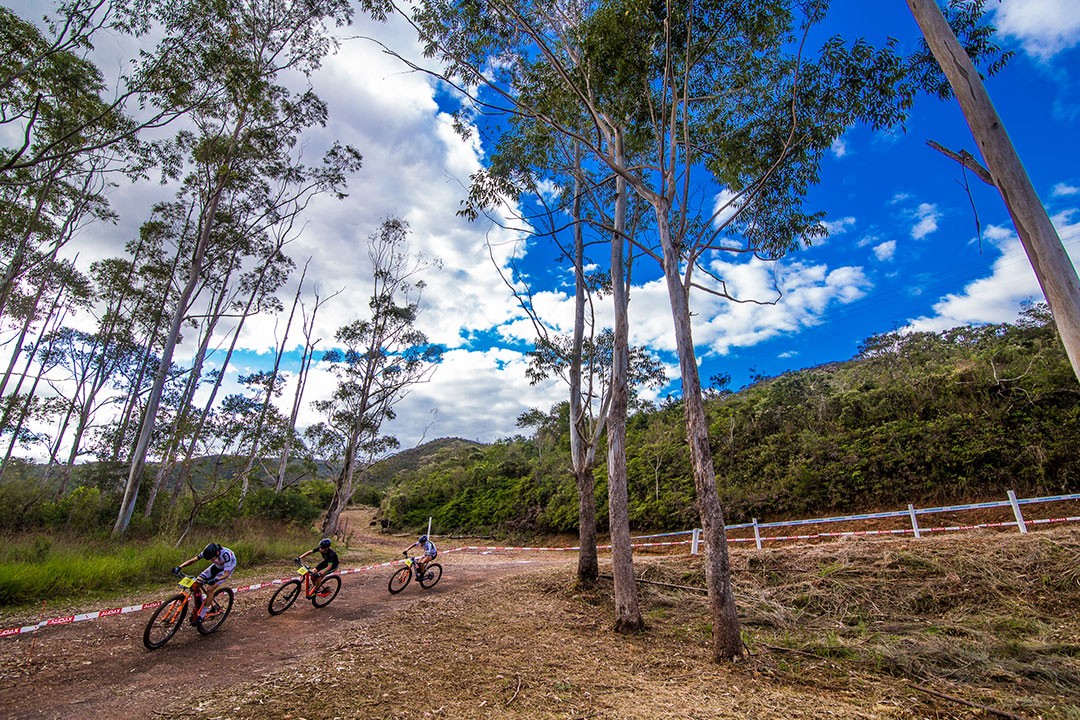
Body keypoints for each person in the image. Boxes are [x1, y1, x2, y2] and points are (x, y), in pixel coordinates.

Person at [173, 542, 236, 625]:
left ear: (217, 553)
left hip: (226, 570)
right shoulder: (207, 552)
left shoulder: (226, 555)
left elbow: (226, 574)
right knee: (196, 583)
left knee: (210, 589)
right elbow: (193, 560)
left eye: (211, 558)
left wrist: (215, 580)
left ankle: (201, 615)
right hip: (216, 567)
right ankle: (206, 602)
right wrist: (180, 567)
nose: (210, 559)